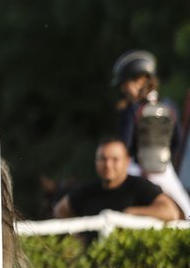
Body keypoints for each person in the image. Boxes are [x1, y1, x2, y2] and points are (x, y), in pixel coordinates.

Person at [110, 49, 190, 217]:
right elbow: (177, 141)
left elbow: (125, 145)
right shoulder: (168, 107)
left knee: (116, 210)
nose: (125, 91)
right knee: (187, 211)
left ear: (140, 80)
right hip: (164, 171)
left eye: (126, 85)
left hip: (135, 168)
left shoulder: (131, 110)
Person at [53, 137, 183, 222]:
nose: (108, 165)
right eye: (103, 159)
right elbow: (60, 210)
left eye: (115, 159)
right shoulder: (87, 190)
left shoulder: (140, 186)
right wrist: (77, 235)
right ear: (96, 162)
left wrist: (130, 213)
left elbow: (170, 212)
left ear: (127, 161)